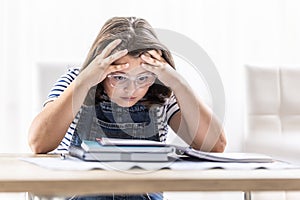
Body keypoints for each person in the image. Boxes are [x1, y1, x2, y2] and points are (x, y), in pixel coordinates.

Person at [28, 17, 226, 200]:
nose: (131, 89)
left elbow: (215, 146)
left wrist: (178, 83)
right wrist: (84, 82)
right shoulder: (75, 81)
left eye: (143, 78)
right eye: (119, 77)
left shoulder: (162, 92)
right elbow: (38, 143)